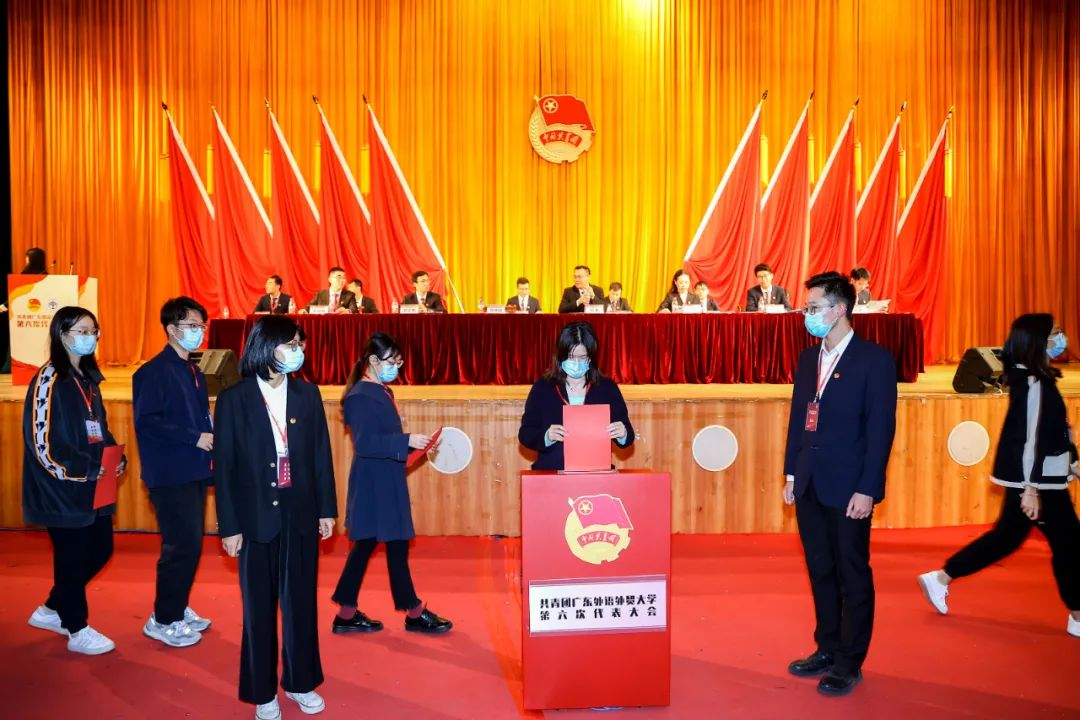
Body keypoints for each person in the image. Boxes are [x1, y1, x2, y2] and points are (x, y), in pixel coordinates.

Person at [917, 315, 1080, 637]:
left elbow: (1054, 432)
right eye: (1055, 333)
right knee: (1068, 545)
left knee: (1011, 537)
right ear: (1038, 340)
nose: (1060, 339)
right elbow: (1031, 440)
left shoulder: (1033, 379)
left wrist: (1071, 462)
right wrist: (1031, 489)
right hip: (1038, 482)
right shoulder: (1033, 383)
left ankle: (942, 577)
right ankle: (1077, 615)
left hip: (1043, 477)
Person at [214, 316, 338, 719]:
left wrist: (326, 509)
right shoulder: (234, 399)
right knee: (259, 609)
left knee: (301, 603)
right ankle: (262, 692)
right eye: (291, 344)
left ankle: (301, 682)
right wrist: (229, 526)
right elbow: (225, 468)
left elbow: (321, 455)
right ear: (266, 348)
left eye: (300, 344)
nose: (298, 351)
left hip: (299, 513)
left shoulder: (307, 394)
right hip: (254, 518)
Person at [782, 271, 897, 697]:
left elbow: (881, 430)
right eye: (807, 308)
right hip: (810, 482)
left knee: (852, 573)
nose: (808, 315)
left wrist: (868, 488)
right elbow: (799, 419)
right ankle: (827, 648)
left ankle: (850, 662)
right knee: (820, 570)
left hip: (850, 488)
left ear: (840, 309)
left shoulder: (874, 360)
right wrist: (791, 474)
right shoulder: (808, 359)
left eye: (814, 307)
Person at [330, 333, 453, 636]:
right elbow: (366, 443)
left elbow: (383, 438)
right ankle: (413, 611)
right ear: (373, 360)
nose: (396, 368)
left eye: (399, 362)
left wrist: (412, 446)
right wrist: (406, 440)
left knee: (373, 544)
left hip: (385, 477)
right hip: (375, 483)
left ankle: (348, 614)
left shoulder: (381, 390)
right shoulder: (360, 395)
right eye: (392, 362)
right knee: (389, 543)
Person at [23, 306, 127, 655]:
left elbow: (100, 428)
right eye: (81, 331)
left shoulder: (88, 378)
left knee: (101, 549)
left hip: (94, 484)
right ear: (62, 334)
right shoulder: (49, 378)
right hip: (61, 488)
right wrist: (81, 469)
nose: (89, 337)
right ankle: (76, 627)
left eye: (93, 331)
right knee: (71, 558)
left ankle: (52, 607)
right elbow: (40, 443)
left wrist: (115, 456)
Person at [133, 297, 215, 648]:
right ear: (171, 329)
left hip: (193, 469)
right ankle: (164, 618)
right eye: (191, 326)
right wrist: (194, 437)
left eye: (201, 326)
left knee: (191, 545)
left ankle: (177, 606)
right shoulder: (152, 372)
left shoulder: (193, 371)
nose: (198, 332)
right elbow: (147, 422)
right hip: (169, 473)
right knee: (180, 546)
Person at [518, 321, 635, 470]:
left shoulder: (607, 387)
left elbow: (628, 435)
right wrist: (546, 436)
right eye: (571, 357)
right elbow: (526, 434)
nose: (577, 362)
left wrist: (622, 434)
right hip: (552, 472)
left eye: (582, 357)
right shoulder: (544, 387)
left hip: (596, 473)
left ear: (591, 357)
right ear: (560, 356)